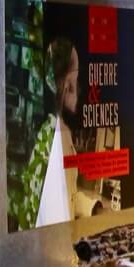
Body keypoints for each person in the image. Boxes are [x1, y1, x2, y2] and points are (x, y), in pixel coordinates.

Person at [35, 37, 102, 227]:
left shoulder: (58, 130)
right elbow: (57, 211)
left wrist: (92, 207)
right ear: (66, 86)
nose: (77, 88)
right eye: (74, 79)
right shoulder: (55, 136)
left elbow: (67, 194)